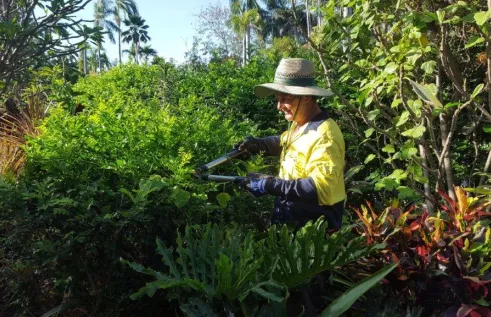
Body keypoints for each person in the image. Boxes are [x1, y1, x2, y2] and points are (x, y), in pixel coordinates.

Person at [235, 58, 346, 230]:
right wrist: (258, 145)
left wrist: (269, 184)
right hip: (291, 219)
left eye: (286, 99)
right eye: (277, 99)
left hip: (314, 227)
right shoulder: (301, 123)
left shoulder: (325, 136)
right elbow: (285, 142)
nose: (279, 106)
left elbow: (319, 187)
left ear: (307, 96)